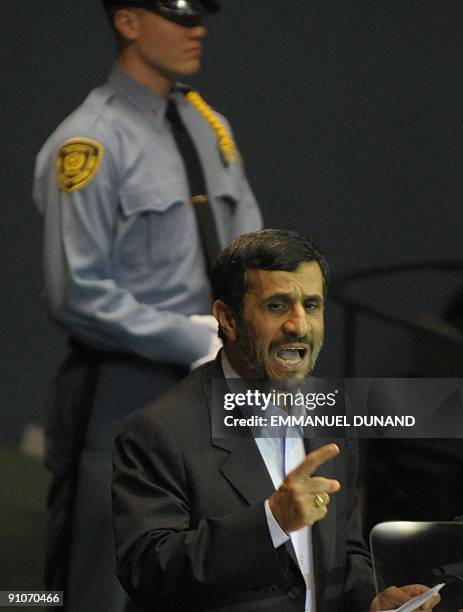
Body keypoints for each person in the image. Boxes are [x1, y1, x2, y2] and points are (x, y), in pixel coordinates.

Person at [32, 1, 261, 610]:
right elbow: (75, 293)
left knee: (207, 573)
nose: (197, 29)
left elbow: (251, 249)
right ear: (129, 22)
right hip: (123, 391)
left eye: (199, 16)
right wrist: (194, 339)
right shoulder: (89, 142)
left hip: (214, 393)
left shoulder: (207, 126)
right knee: (98, 583)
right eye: (178, 16)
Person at [112, 229, 440, 611]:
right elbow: (147, 571)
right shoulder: (160, 430)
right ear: (228, 319)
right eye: (278, 306)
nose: (299, 326)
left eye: (312, 306)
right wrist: (271, 521)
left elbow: (342, 555)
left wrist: (372, 599)